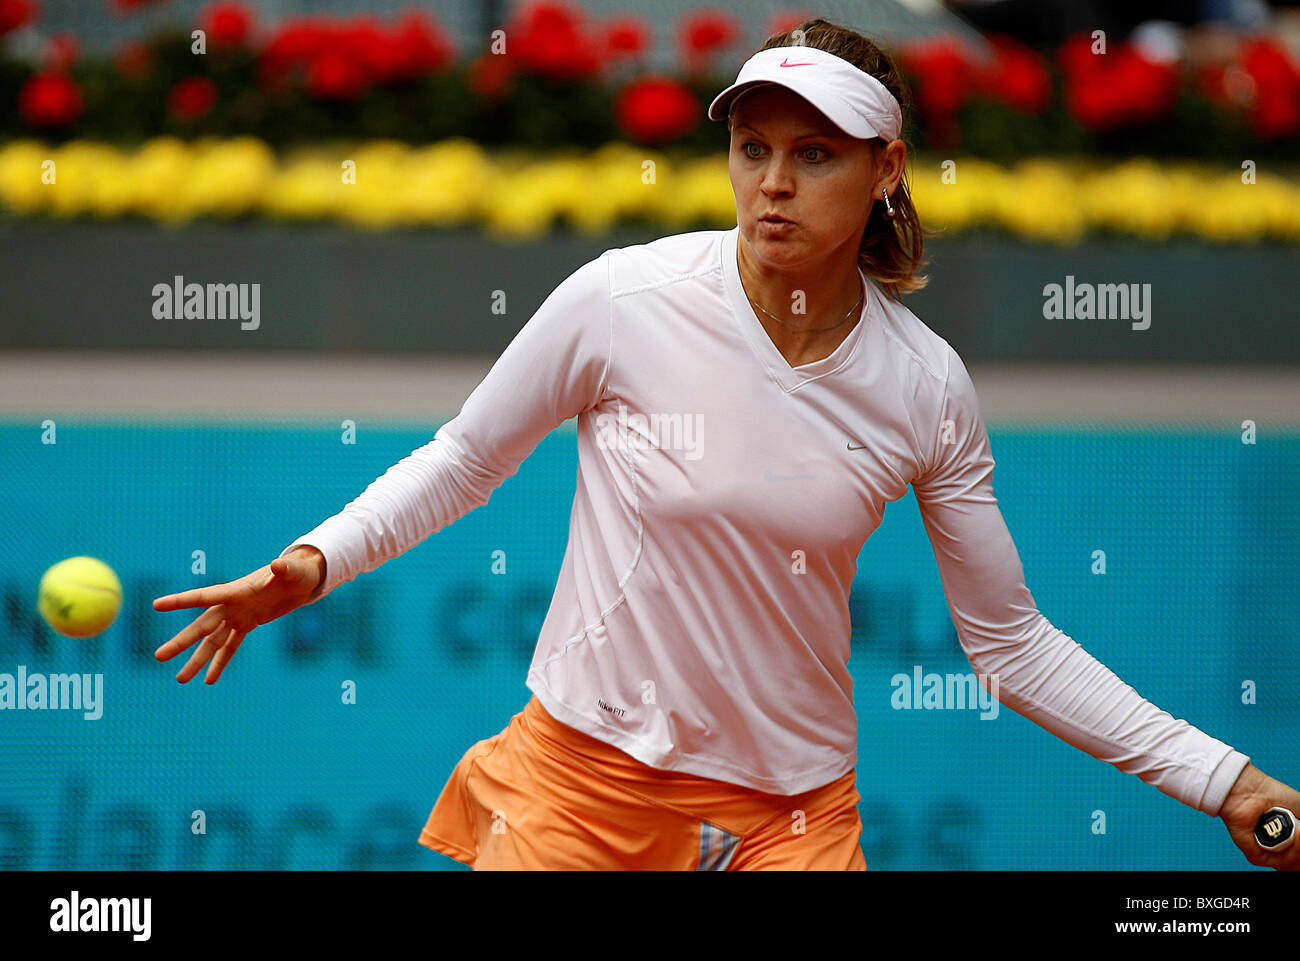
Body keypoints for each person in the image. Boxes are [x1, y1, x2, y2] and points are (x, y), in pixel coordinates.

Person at [152, 18, 1299, 871]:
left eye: (815, 156)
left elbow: (1010, 646)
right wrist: (311, 563)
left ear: (885, 170)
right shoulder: (622, 298)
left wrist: (1222, 778)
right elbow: (466, 460)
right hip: (581, 791)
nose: (774, 185)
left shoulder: (924, 387)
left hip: (795, 819)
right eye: (753, 149)